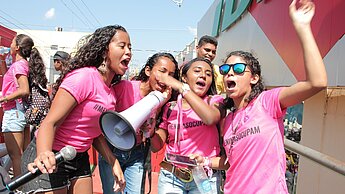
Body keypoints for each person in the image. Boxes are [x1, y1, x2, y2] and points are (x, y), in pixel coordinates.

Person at [191, 1, 327, 193]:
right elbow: (231, 162)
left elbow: (317, 82)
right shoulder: (228, 119)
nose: (230, 74)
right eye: (225, 69)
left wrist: (303, 27)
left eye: (238, 69)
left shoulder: (268, 102)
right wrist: (205, 160)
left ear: (254, 78)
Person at [22, 25, 131, 193]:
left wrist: (113, 161)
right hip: (51, 154)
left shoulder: (110, 92)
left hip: (78, 157)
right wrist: (44, 153)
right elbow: (50, 122)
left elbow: (94, 133)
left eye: (130, 47)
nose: (128, 52)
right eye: (122, 46)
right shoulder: (84, 77)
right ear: (104, 51)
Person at [98, 52, 179, 194]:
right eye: (162, 71)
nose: (166, 78)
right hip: (111, 150)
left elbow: (156, 147)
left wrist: (151, 130)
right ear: (148, 70)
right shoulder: (125, 87)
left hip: (136, 153)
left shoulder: (164, 102)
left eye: (171, 75)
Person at [151, 58, 227, 193]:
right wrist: (150, 131)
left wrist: (181, 88)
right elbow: (156, 146)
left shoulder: (215, 101)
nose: (203, 75)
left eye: (208, 74)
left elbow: (210, 118)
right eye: (197, 71)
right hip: (171, 177)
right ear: (185, 77)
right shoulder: (170, 107)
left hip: (204, 178)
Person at [0, 34, 46, 178]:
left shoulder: (19, 65)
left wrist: (4, 98)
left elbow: (23, 89)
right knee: (24, 155)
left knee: (16, 156)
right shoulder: (23, 65)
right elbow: (10, 80)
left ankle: (19, 189)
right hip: (21, 113)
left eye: (12, 42)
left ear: (17, 47)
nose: (10, 44)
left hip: (14, 112)